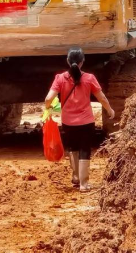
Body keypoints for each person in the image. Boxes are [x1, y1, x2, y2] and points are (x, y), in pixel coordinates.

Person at [44, 47, 114, 191]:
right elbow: (102, 98)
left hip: (68, 122)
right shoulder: (89, 78)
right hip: (86, 121)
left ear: (68, 61)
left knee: (73, 147)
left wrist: (49, 109)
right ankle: (84, 184)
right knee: (84, 149)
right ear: (82, 62)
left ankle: (75, 177)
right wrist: (109, 110)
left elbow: (48, 98)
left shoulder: (60, 78)